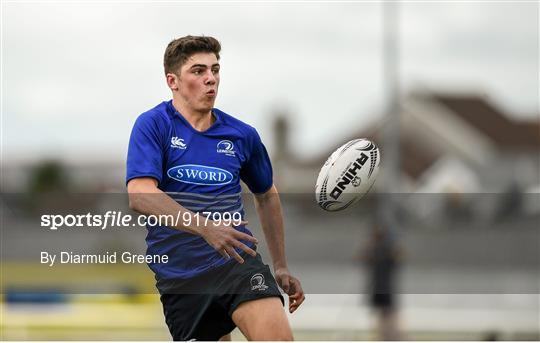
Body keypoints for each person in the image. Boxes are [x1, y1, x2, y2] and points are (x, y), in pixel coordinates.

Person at [126, 35, 304, 341]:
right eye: (198, 71)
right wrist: (208, 229)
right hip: (181, 279)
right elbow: (140, 194)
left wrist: (280, 265)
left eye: (215, 69)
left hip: (236, 263)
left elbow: (266, 195)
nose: (211, 79)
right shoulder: (153, 125)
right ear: (173, 81)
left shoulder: (242, 135)